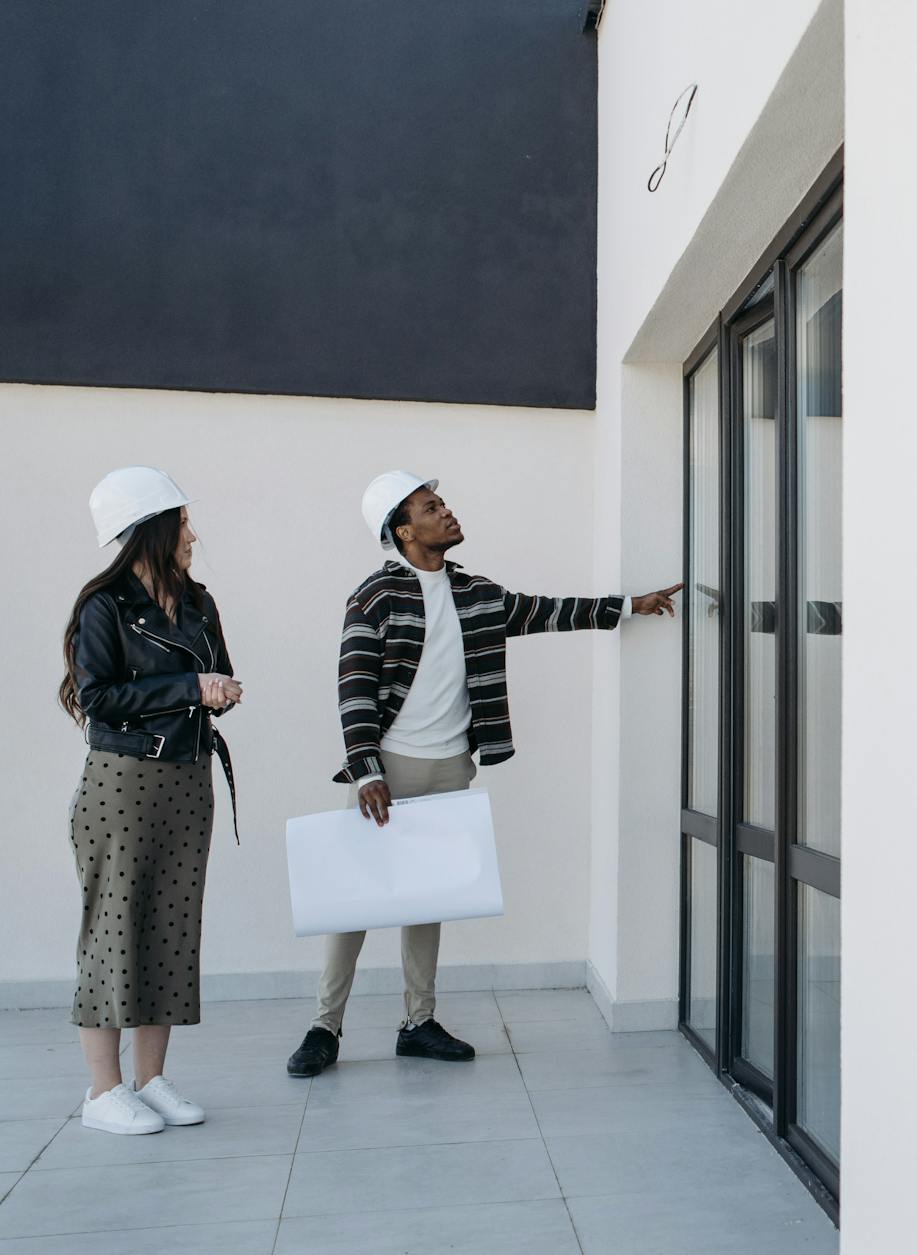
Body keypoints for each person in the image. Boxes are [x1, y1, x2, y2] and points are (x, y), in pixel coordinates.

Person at [285, 471, 681, 1077]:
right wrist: (366, 770)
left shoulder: (473, 593)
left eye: (443, 503)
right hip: (388, 767)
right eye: (431, 506)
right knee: (353, 900)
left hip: (451, 766)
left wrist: (632, 605)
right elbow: (354, 688)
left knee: (428, 896)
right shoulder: (375, 596)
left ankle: (418, 1022)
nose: (446, 512)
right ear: (403, 529)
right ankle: (324, 1027)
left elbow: (546, 612)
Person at [59, 467, 242, 1134]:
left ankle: (152, 1079)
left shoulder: (198, 602)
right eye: (182, 521)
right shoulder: (104, 608)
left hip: (187, 778)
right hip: (123, 779)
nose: (192, 533)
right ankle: (103, 1091)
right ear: (152, 529)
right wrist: (191, 689)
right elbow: (99, 697)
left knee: (170, 923)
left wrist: (216, 687)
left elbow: (209, 670)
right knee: (113, 926)